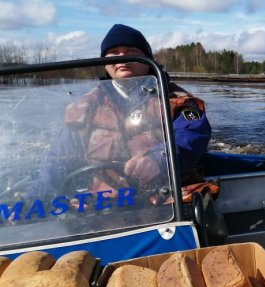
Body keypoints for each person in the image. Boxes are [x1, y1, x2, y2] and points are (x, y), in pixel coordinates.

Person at [29, 24, 211, 202]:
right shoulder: (86, 106)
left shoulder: (176, 100)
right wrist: (34, 196)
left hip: (167, 199)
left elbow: (192, 134)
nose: (122, 58)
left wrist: (158, 159)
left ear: (148, 60)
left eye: (131, 52)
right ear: (104, 63)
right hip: (104, 203)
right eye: (114, 53)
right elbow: (58, 158)